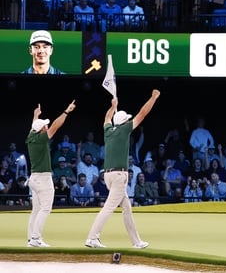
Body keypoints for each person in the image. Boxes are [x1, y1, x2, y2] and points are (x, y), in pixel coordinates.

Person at [85, 90, 161, 249]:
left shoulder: (108, 131)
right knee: (109, 207)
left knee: (126, 208)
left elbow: (107, 118)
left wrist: (113, 107)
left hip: (108, 175)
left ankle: (136, 241)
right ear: (123, 122)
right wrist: (153, 97)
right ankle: (92, 237)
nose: (128, 121)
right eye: (127, 119)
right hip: (119, 175)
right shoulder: (124, 129)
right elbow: (143, 113)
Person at [25, 100, 76, 247]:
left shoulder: (31, 137)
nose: (46, 126)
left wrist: (36, 116)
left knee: (36, 209)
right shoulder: (41, 138)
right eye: (44, 125)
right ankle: (35, 239)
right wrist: (67, 111)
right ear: (41, 130)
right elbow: (55, 125)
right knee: (45, 208)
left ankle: (31, 239)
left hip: (34, 178)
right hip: (42, 178)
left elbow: (33, 127)